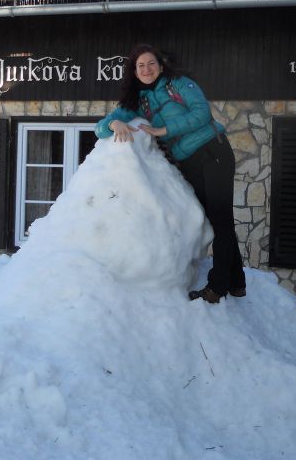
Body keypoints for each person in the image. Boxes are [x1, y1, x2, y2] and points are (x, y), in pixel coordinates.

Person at [95, 44, 246, 303]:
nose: (146, 69)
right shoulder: (137, 101)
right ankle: (237, 281)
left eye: (151, 63)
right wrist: (113, 123)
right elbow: (100, 128)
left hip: (213, 150)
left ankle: (217, 288)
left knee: (221, 220)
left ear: (161, 66)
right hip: (189, 162)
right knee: (215, 219)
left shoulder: (179, 83)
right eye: (140, 66)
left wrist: (163, 131)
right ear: (134, 72)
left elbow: (202, 114)